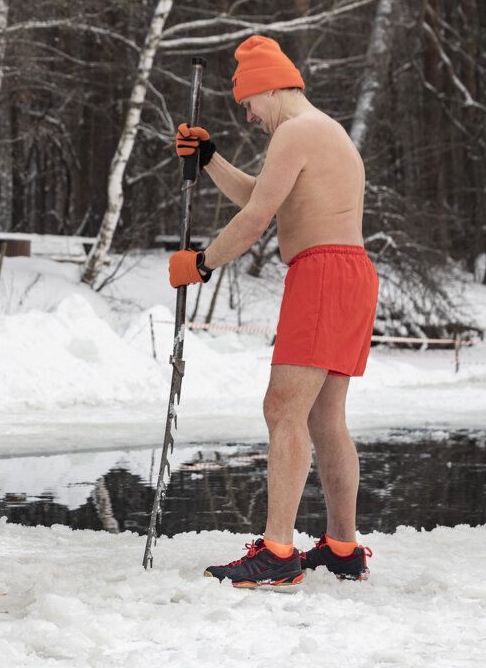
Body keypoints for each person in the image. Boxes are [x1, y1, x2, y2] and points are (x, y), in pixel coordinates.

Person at [167, 36, 378, 588]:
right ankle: (341, 546)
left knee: (282, 408)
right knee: (324, 419)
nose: (249, 115)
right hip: (351, 271)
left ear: (267, 86)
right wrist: (211, 159)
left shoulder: (296, 131)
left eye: (248, 103)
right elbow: (266, 194)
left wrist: (201, 263)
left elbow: (258, 218)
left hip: (324, 273)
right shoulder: (322, 131)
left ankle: (279, 553)